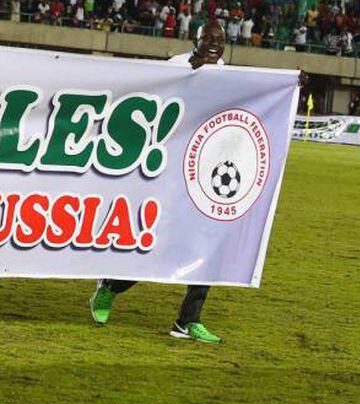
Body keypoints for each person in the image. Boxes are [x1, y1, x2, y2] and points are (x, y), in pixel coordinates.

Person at [89, 19, 302, 343]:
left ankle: (187, 321)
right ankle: (111, 286)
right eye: (208, 38)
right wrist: (191, 71)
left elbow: (256, 97)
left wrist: (293, 84)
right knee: (156, 242)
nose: (214, 43)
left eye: (219, 39)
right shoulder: (177, 65)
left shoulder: (229, 74)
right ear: (196, 40)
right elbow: (156, 96)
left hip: (208, 170)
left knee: (209, 242)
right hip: (170, 170)